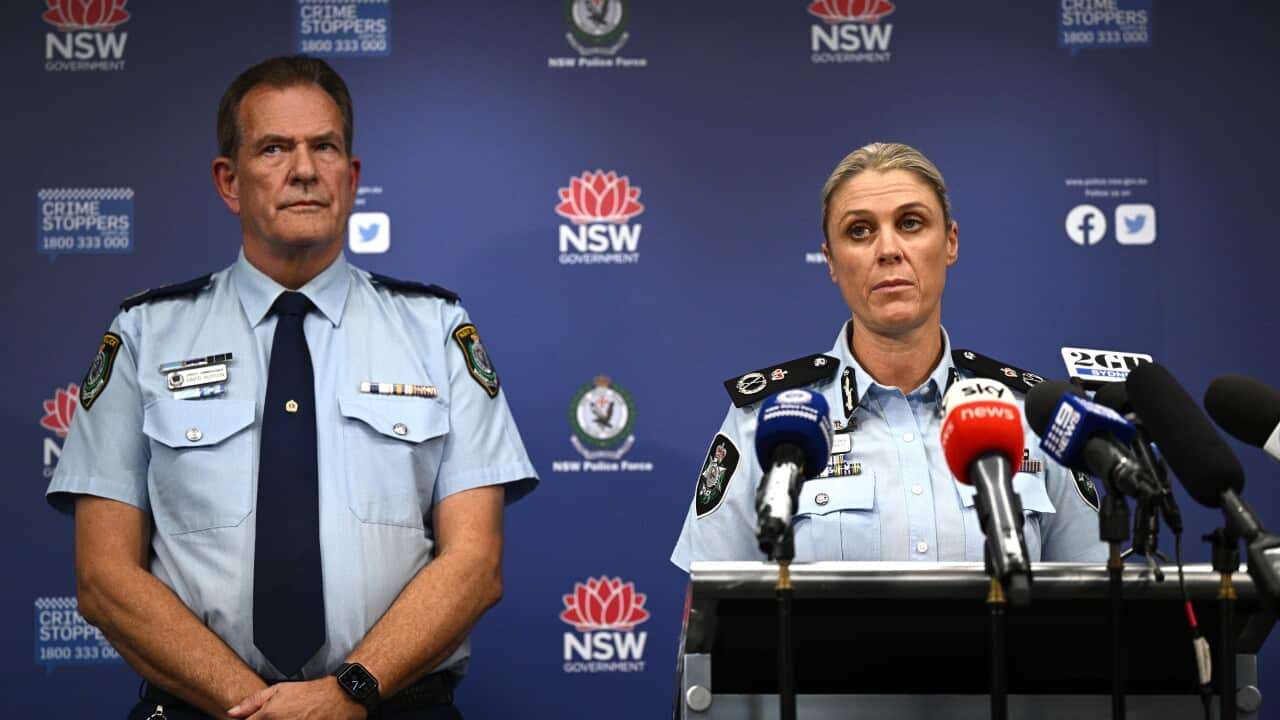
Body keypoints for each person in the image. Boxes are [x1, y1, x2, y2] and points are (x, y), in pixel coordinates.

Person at [46, 55, 538, 720]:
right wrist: (255, 707)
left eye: (324, 147)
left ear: (352, 175)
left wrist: (348, 691)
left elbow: (476, 562)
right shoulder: (144, 336)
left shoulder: (437, 330)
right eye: (274, 148)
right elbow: (104, 579)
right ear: (229, 181)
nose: (303, 169)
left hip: (390, 706)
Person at [671, 142, 1106, 570]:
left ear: (950, 242)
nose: (888, 249)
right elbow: (712, 614)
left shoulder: (1033, 416)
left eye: (911, 223)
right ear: (831, 261)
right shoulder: (765, 420)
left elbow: (1096, 607)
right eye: (859, 231)